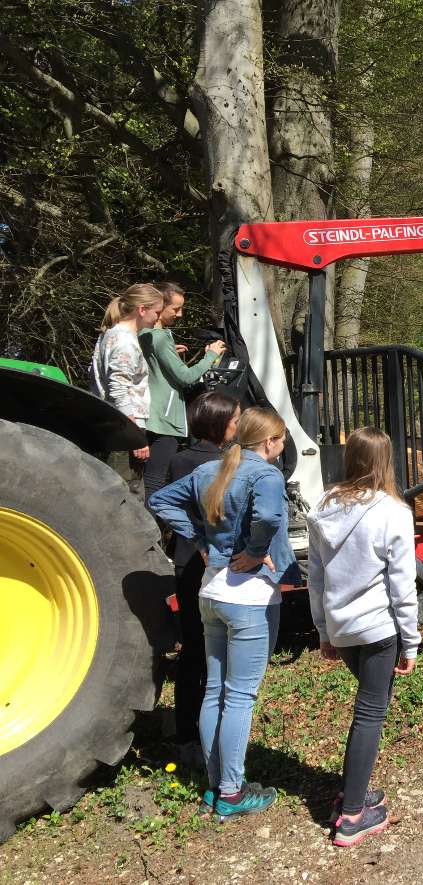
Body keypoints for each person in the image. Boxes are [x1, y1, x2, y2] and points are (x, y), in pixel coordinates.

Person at [148, 406, 295, 821]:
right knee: (241, 697)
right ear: (269, 441)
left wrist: (198, 539)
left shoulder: (211, 470)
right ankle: (231, 792)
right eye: (281, 440)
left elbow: (160, 499)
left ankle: (217, 786)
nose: (282, 448)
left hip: (210, 593)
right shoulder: (265, 475)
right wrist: (255, 551)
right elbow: (266, 516)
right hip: (247, 599)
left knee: (216, 690)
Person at [307, 427, 419, 848]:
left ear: (348, 458)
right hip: (377, 629)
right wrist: (410, 641)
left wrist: (323, 630)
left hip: (342, 627)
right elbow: (402, 585)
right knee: (370, 714)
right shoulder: (392, 512)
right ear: (385, 461)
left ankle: (354, 791)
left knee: (368, 709)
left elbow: (315, 578)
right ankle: (353, 814)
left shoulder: (323, 506)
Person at [165, 391, 241, 769]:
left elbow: (167, 505)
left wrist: (192, 538)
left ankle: (187, 736)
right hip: (218, 565)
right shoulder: (227, 463)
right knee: (219, 652)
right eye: (235, 419)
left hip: (185, 563)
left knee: (193, 650)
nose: (239, 425)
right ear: (220, 423)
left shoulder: (177, 459)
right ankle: (218, 732)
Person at [140, 281, 227, 499]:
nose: (180, 314)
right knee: (156, 483)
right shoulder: (159, 338)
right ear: (159, 307)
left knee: (146, 480)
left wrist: (170, 355)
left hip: (151, 416)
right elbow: (186, 376)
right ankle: (154, 531)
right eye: (175, 309)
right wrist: (211, 355)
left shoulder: (145, 335)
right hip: (164, 420)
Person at [90, 283, 164, 469]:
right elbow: (119, 389)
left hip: (110, 422)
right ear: (142, 310)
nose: (158, 318)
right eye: (157, 312)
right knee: (126, 490)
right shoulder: (126, 342)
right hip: (123, 430)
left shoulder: (109, 334)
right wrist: (135, 434)